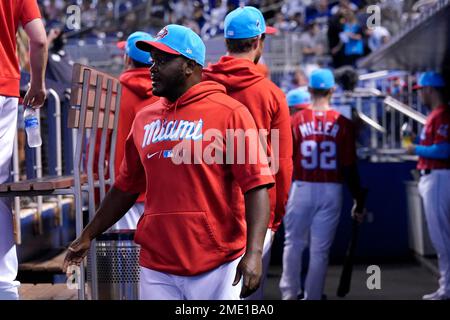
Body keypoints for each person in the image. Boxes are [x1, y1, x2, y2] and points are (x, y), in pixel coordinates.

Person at [63, 24, 274, 300]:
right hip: (157, 264)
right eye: (152, 60)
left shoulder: (231, 113)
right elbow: (126, 187)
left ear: (189, 66)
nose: (152, 68)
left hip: (218, 262)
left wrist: (254, 252)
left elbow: (256, 186)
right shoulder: (145, 118)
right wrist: (88, 234)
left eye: (162, 61)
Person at [203, 6, 293, 300]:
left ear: (227, 43)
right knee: (247, 295)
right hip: (256, 212)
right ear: (258, 42)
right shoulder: (271, 93)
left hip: (205, 207)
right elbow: (282, 163)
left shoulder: (200, 83)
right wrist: (275, 217)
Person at [279, 68, 366, 300]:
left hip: (301, 187)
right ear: (332, 90)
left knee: (293, 243)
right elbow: (349, 167)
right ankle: (313, 296)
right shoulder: (343, 123)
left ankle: (289, 293)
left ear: (309, 90)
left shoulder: (295, 120)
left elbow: (284, 161)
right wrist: (358, 198)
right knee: (319, 251)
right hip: (331, 189)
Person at [0, 0, 47, 300]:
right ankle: (4, 286)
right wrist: (38, 85)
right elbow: (39, 39)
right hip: (4, 89)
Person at [406, 71, 450, 300]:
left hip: (440, 177)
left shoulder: (442, 114)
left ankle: (447, 289)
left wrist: (416, 149)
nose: (420, 94)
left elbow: (444, 151)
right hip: (434, 176)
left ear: (430, 89)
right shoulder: (435, 115)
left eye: (421, 90)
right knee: (441, 236)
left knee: (442, 238)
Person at [111, 31, 159, 230]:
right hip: (160, 188)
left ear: (127, 58)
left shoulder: (113, 92)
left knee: (128, 253)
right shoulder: (166, 93)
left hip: (123, 187)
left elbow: (99, 146)